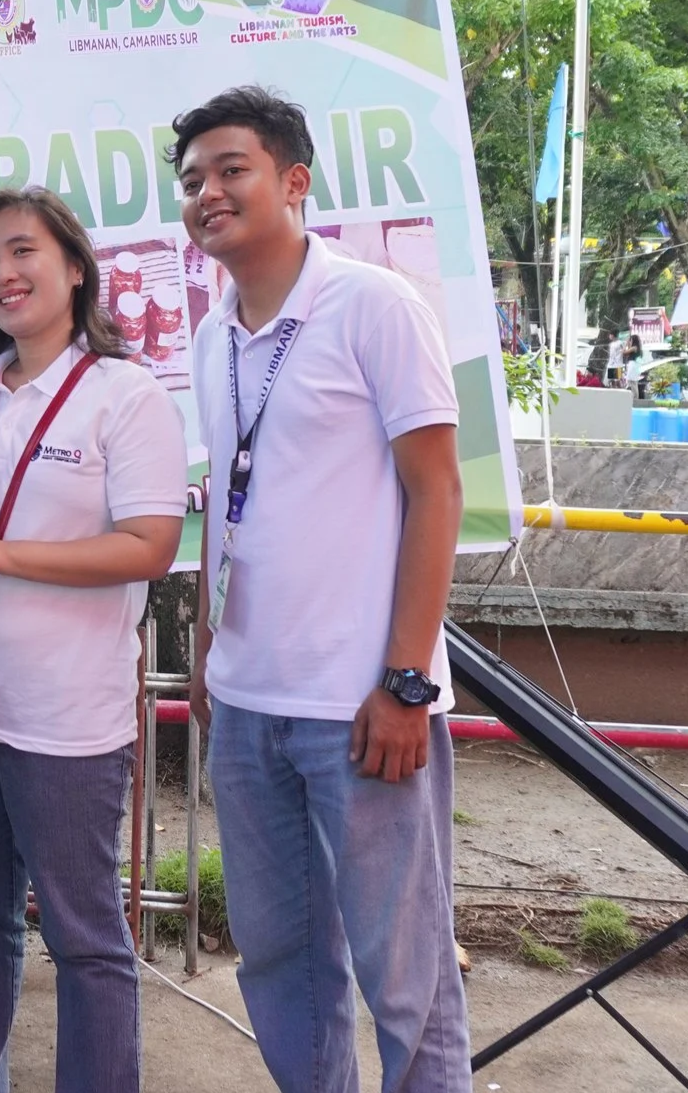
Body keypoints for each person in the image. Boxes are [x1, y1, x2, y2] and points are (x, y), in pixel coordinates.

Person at [173, 86, 471, 1093]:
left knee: (406, 978)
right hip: (249, 702)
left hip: (361, 707)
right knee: (280, 962)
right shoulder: (214, 333)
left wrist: (406, 681)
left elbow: (438, 491)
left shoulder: (374, 304)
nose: (208, 192)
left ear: (294, 181)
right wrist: (213, 647)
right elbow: (231, 503)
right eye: (192, 179)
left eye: (230, 169)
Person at [0, 187, 185, 1093]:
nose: (2, 274)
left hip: (67, 714)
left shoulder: (125, 393)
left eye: (22, 252)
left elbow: (150, 546)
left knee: (84, 936)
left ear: (75, 267)